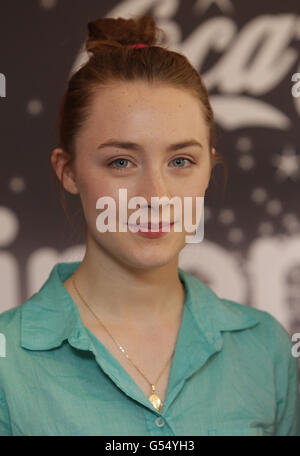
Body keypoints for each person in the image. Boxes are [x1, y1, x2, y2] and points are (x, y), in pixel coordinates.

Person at [0, 14, 299, 436]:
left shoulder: (265, 349)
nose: (156, 197)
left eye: (181, 161)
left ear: (209, 169)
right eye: (121, 161)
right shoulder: (7, 360)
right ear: (67, 171)